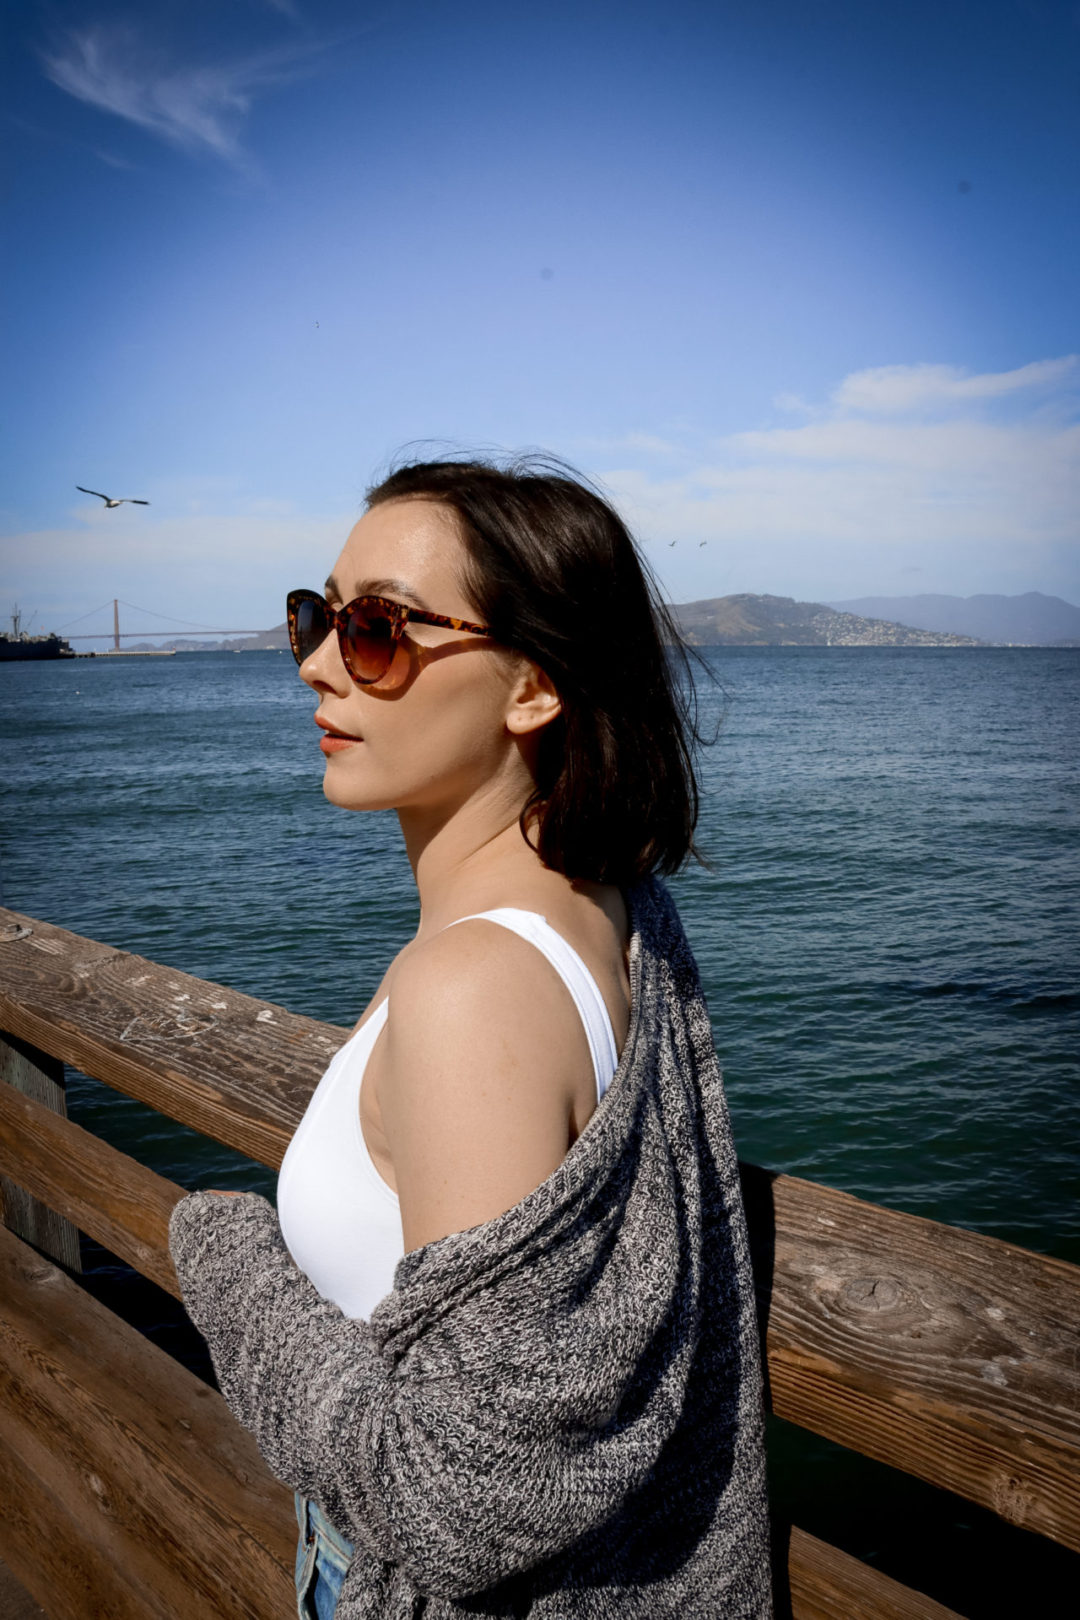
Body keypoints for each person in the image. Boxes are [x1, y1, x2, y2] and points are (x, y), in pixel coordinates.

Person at [168, 455, 772, 1619]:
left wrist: (224, 1255)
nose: (314, 662)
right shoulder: (613, 901)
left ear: (533, 685)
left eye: (377, 628)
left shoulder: (472, 987)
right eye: (316, 615)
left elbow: (461, 1500)